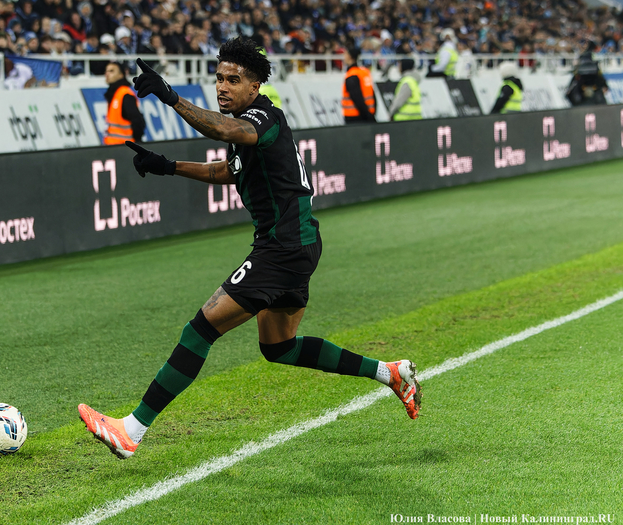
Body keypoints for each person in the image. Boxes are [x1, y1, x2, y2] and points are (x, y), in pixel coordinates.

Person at [78, 37, 420, 460]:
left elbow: (224, 130)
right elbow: (227, 170)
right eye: (219, 78)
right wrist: (168, 166)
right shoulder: (247, 124)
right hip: (298, 245)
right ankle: (389, 373)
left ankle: (131, 430)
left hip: (282, 247)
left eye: (233, 80)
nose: (222, 87)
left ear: (255, 86)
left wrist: (170, 97)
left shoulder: (261, 117)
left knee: (200, 330)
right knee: (280, 347)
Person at [103, 60, 146, 144]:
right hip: (114, 146)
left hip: (124, 146)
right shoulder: (113, 94)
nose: (107, 74)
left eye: (111, 71)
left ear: (121, 75)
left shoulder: (125, 95)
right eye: (106, 71)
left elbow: (138, 121)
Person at [341, 46, 376, 123]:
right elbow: (373, 94)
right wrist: (371, 115)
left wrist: (367, 115)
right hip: (369, 114)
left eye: (345, 54)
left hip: (354, 116)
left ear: (350, 56)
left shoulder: (351, 75)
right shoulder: (365, 72)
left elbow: (357, 98)